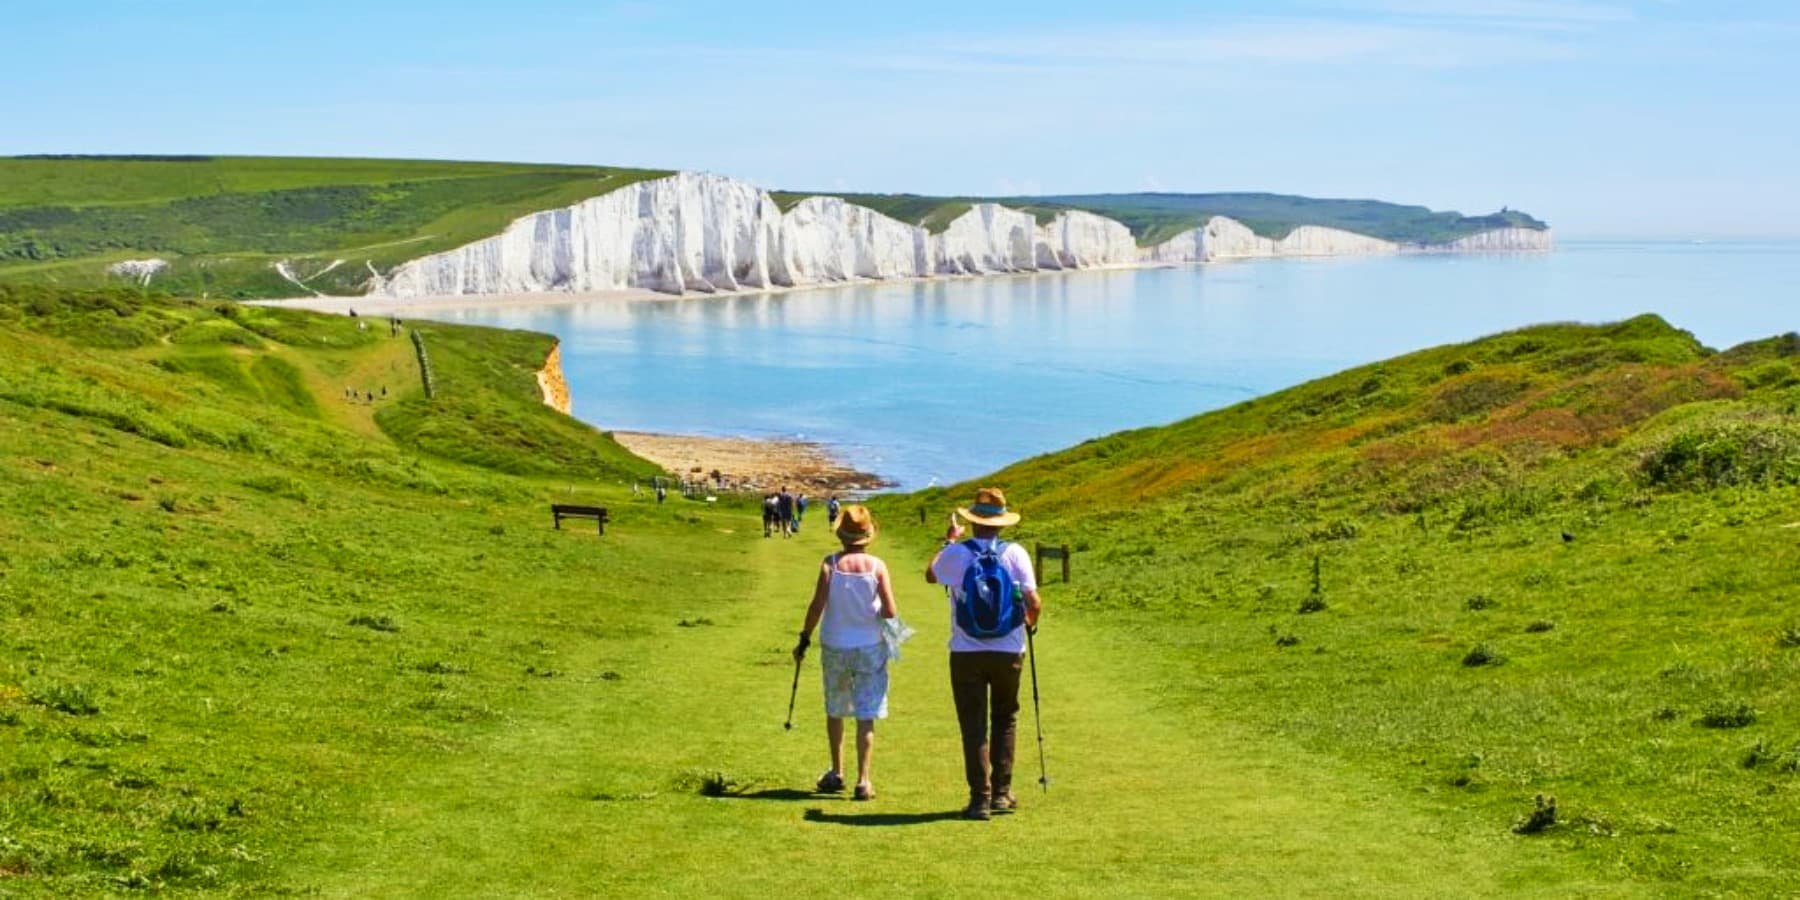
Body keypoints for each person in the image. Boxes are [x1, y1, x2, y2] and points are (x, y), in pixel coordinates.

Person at [926, 487, 1042, 821]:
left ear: (972, 523)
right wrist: (1029, 625)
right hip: (1009, 649)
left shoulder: (958, 554)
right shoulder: (1015, 553)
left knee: (973, 725)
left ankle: (980, 799)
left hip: (966, 651)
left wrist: (949, 541)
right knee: (1005, 719)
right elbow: (1034, 602)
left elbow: (931, 574)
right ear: (1002, 523)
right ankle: (1002, 794)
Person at [793, 505, 898, 801]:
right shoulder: (877, 566)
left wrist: (804, 639)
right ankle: (864, 780)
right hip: (870, 645)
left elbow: (816, 606)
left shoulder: (830, 564)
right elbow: (890, 611)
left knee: (835, 708)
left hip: (835, 644)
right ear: (867, 536)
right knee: (866, 713)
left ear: (842, 535)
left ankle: (837, 771)